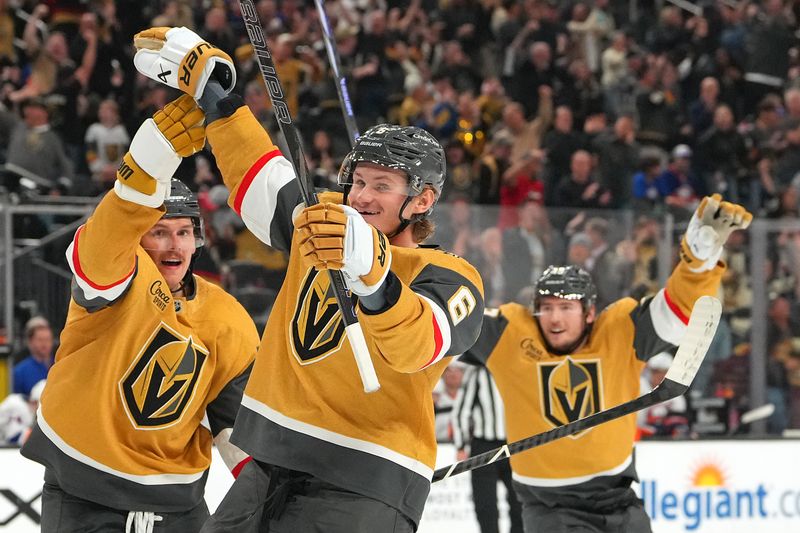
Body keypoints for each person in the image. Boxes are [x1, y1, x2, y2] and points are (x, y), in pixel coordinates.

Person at [131, 25, 485, 533]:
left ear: (423, 200)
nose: (363, 196)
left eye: (382, 186)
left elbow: (417, 342)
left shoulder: (451, 275)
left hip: (365, 476)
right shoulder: (321, 219)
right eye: (359, 181)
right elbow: (259, 175)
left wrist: (370, 270)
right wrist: (218, 97)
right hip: (272, 460)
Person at [21, 93, 260, 532]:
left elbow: (239, 430)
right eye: (159, 232)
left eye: (184, 233)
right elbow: (103, 241)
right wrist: (143, 173)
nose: (174, 245)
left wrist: (276, 497)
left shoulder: (226, 316)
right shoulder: (115, 278)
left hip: (179, 507)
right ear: (137, 238)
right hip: (83, 494)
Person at [460, 194, 751, 532]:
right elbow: (447, 325)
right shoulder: (509, 332)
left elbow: (675, 314)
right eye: (547, 307)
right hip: (550, 506)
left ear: (589, 312)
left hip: (618, 497)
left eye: (566, 308)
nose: (554, 319)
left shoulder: (618, 331)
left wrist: (698, 260)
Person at [453, 365, 523, 533]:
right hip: (484, 446)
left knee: (519, 499)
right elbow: (461, 411)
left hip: (513, 445)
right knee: (485, 502)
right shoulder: (477, 374)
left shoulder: (516, 371)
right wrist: (461, 444)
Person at [12, 316, 54, 397]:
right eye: (40, 340)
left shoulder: (60, 365)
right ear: (30, 342)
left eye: (48, 339)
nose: (44, 344)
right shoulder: (19, 372)